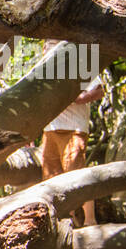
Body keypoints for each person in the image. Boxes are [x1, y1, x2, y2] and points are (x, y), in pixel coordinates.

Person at [42, 73, 105, 227]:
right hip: (50, 129)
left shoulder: (80, 67)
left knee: (77, 175)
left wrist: (79, 98)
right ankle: (64, 222)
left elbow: (100, 90)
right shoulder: (46, 68)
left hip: (74, 128)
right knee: (52, 178)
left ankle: (90, 221)